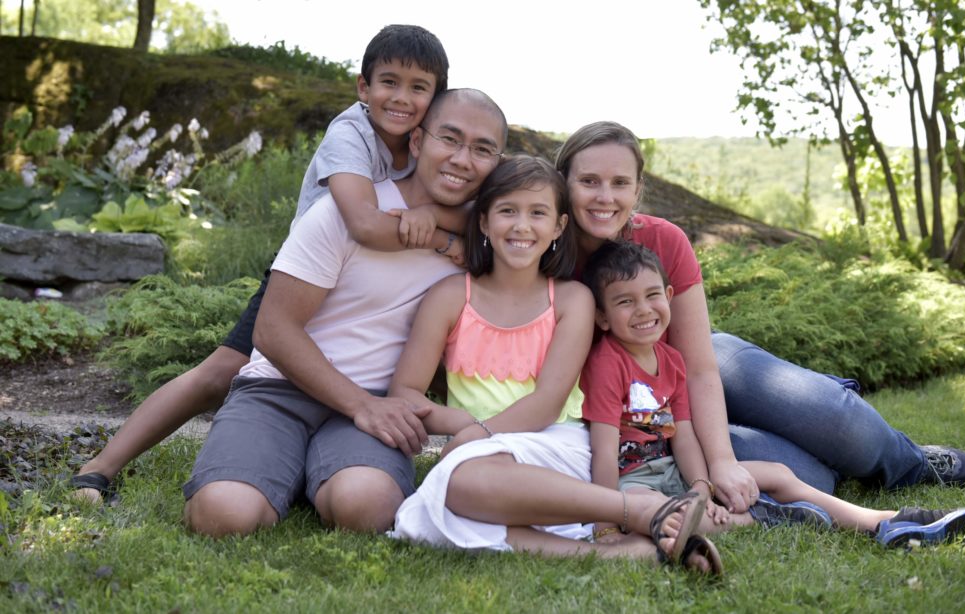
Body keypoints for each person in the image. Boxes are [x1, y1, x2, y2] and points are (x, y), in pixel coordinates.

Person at [71, 24, 461, 503]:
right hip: (307, 273)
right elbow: (362, 221)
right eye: (389, 82)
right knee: (221, 373)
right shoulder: (351, 132)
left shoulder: (433, 144)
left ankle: (334, 462)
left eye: (418, 87)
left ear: (437, 97)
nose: (401, 98)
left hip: (363, 287)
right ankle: (100, 467)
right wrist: (445, 240)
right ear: (364, 87)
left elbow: (465, 203)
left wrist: (432, 215)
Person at [553, 121, 965, 513]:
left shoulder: (664, 239)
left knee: (834, 418)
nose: (605, 197)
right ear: (563, 185)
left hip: (695, 355)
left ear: (638, 188)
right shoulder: (545, 253)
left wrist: (721, 460)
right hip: (639, 402)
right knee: (808, 475)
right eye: (589, 181)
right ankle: (831, 461)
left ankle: (908, 460)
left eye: (619, 182)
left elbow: (701, 368)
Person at [181, 88, 508, 537]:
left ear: (497, 163)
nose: (462, 159)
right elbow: (273, 330)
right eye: (448, 139)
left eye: (482, 150)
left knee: (367, 509)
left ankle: (306, 472)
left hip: (379, 398)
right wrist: (362, 407)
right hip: (280, 391)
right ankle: (265, 468)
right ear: (417, 142)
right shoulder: (350, 210)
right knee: (224, 516)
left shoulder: (489, 241)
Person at [389, 155, 721, 573]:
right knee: (446, 499)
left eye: (538, 213)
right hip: (483, 453)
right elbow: (405, 393)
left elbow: (548, 403)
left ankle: (634, 510)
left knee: (456, 486)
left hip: (559, 441)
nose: (522, 226)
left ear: (559, 226)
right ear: (484, 222)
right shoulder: (450, 296)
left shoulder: (570, 299)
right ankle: (623, 552)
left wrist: (479, 432)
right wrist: (468, 429)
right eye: (508, 211)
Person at [580, 240, 965, 548]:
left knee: (776, 473)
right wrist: (605, 519)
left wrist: (701, 485)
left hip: (673, 469)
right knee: (670, 514)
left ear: (669, 297)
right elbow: (603, 448)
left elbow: (681, 434)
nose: (643, 310)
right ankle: (767, 519)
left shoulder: (671, 360)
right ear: (601, 316)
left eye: (652, 296)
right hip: (632, 483)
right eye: (624, 302)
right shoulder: (608, 364)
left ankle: (881, 520)